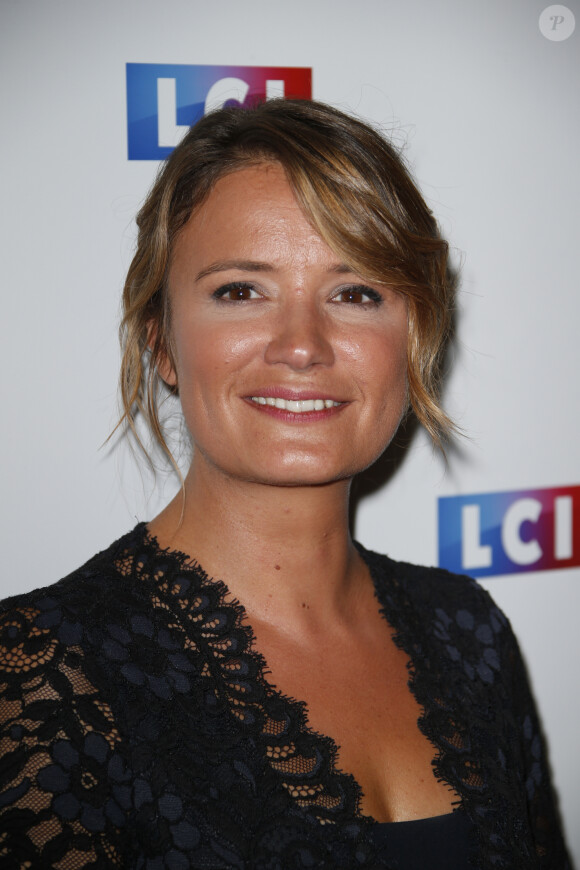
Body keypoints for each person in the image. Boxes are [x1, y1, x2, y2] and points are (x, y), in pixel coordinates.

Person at [0, 99, 571, 869]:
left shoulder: (469, 631)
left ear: (413, 340)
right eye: (241, 290)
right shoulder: (40, 675)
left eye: (356, 292)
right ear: (161, 342)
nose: (302, 345)